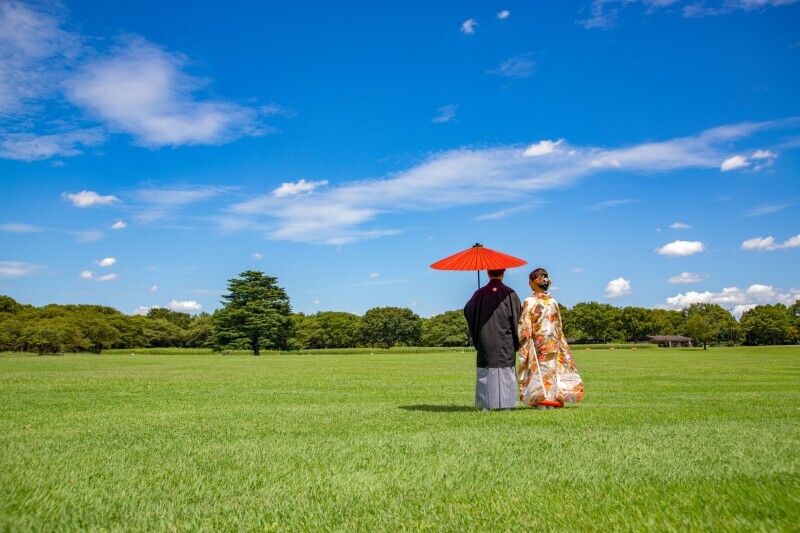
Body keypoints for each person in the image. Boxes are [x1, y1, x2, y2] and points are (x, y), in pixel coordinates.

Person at [518, 268, 583, 409]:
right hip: (553, 342)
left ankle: (540, 401)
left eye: (529, 280)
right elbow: (558, 324)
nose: (528, 282)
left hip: (537, 342)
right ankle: (551, 401)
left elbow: (524, 324)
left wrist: (524, 341)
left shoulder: (530, 302)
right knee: (551, 372)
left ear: (535, 282)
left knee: (538, 372)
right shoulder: (553, 302)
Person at [464, 269, 521, 410]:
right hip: (505, 338)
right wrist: (517, 339)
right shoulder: (510, 293)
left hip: (485, 337)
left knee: (486, 371)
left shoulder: (479, 293)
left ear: (488, 273)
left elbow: (468, 310)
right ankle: (507, 405)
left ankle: (485, 405)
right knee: (506, 371)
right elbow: (517, 317)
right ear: (503, 273)